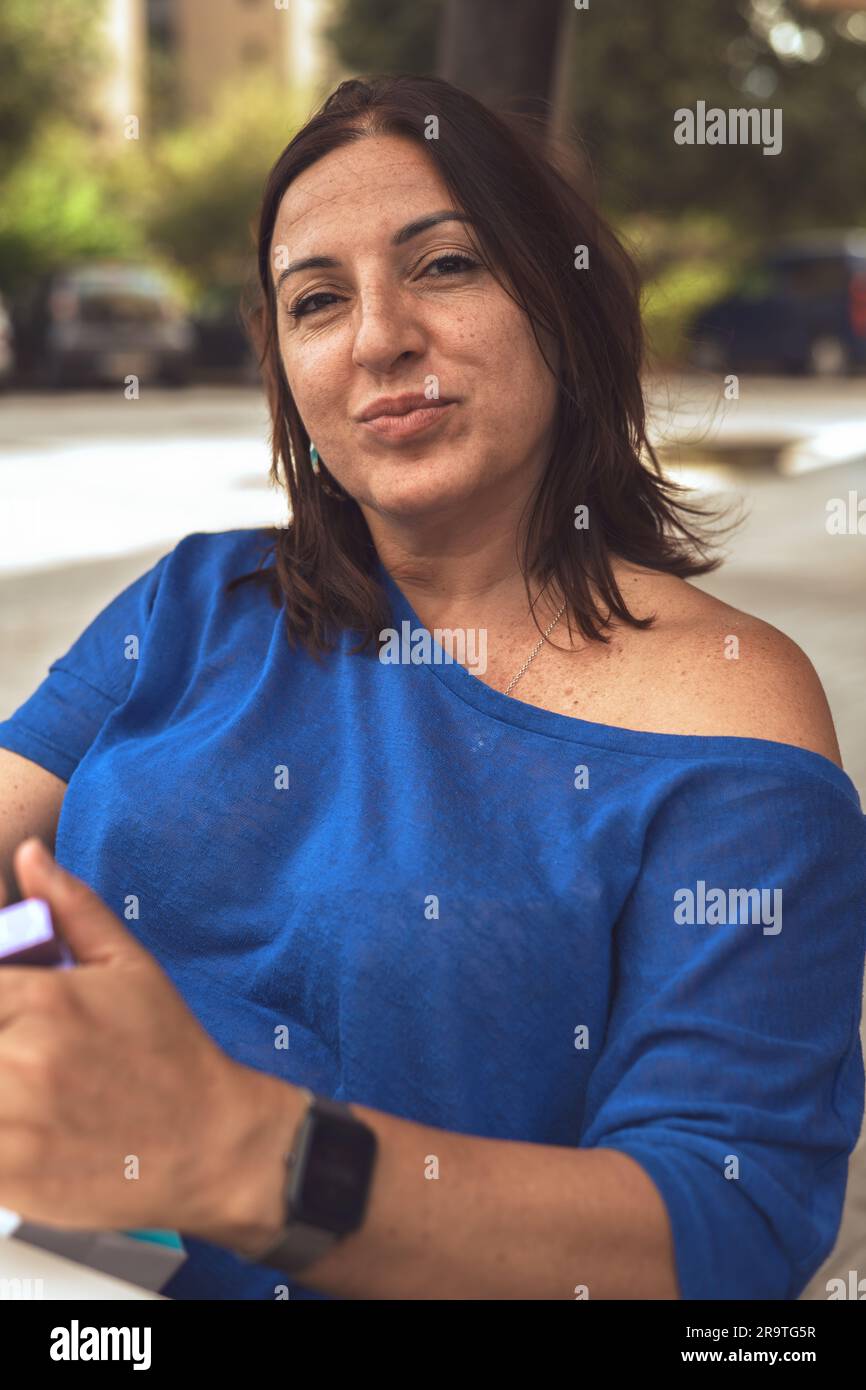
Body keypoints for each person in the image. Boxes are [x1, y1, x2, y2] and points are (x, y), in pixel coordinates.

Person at [0, 75, 863, 1301]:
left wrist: (256, 1157)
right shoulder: (194, 603)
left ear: (559, 306)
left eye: (445, 265)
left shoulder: (725, 707)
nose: (377, 337)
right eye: (316, 300)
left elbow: (719, 1227)